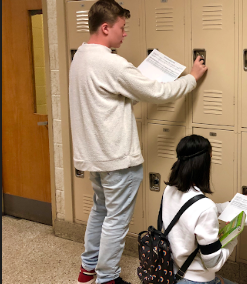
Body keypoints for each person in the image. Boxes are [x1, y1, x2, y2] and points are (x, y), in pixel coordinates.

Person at [70, 0, 207, 283]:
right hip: (118, 158)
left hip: (96, 157)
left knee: (101, 211)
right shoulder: (111, 62)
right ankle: (107, 277)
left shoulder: (81, 57)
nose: (125, 33)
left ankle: (88, 268)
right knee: (116, 221)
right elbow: (157, 92)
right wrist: (192, 78)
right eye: (122, 27)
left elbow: (107, 96)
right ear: (106, 27)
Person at [162, 134, 237, 284]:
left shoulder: (169, 190)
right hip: (196, 280)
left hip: (172, 271)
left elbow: (191, 212)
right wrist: (234, 236)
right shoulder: (204, 207)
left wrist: (226, 206)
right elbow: (213, 263)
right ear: (203, 164)